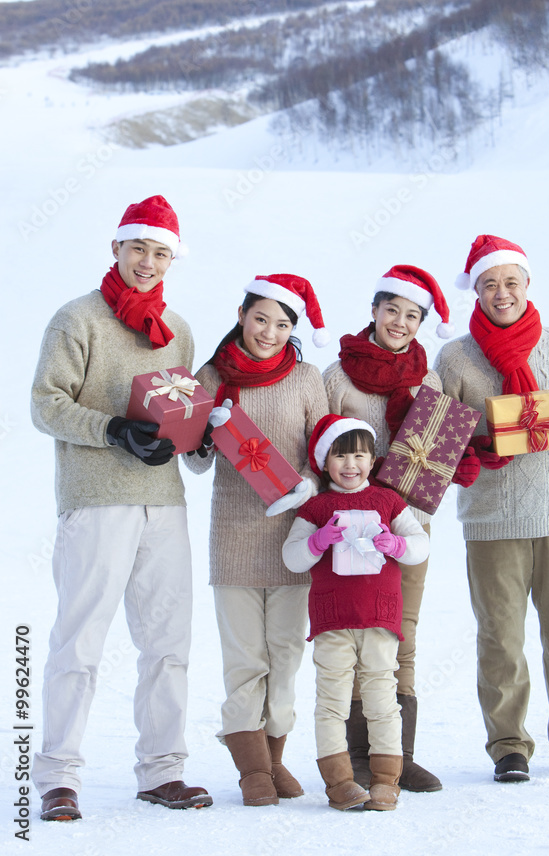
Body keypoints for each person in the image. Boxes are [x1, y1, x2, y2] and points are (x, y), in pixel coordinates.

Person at [31, 195, 212, 821]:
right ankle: (57, 776)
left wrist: (201, 440)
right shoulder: (76, 319)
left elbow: (183, 424)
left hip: (165, 505)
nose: (148, 262)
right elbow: (45, 404)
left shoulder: (178, 330)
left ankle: (163, 771)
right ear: (117, 248)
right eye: (139, 248)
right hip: (95, 501)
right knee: (79, 641)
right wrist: (112, 429)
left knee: (168, 642)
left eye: (161, 253)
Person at [435, 233, 549, 782]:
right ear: (476, 290)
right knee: (500, 638)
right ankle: (509, 745)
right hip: (492, 521)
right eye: (490, 284)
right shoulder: (455, 358)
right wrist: (477, 447)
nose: (502, 293)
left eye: (511, 282)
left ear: (526, 284)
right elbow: (438, 442)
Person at [323, 264, 480, 792]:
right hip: (349, 529)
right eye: (392, 310)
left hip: (409, 524)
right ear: (374, 310)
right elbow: (319, 450)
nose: (401, 322)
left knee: (400, 631)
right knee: (351, 633)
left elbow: (430, 451)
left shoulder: (427, 378)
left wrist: (455, 460)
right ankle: (355, 759)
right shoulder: (338, 376)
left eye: (413, 315)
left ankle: (398, 753)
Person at [183, 274, 329, 806]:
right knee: (246, 659)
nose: (269, 332)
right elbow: (197, 464)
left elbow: (323, 452)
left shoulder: (308, 377)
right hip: (235, 537)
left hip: (296, 539)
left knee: (286, 655)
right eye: (260, 318)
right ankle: (253, 771)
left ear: (294, 328)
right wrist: (199, 432)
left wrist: (314, 483)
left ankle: (275, 758)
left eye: (283, 323)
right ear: (242, 314)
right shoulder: (212, 376)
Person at [283, 414, 430, 812]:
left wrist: (396, 546)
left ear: (372, 459)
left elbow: (420, 543)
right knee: (332, 700)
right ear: (324, 461)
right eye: (341, 456)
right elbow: (292, 558)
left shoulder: (387, 501)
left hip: (380, 620)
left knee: (382, 699)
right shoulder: (316, 507)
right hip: (333, 622)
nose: (351, 465)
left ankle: (386, 781)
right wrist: (318, 540)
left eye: (360, 456)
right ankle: (340, 782)